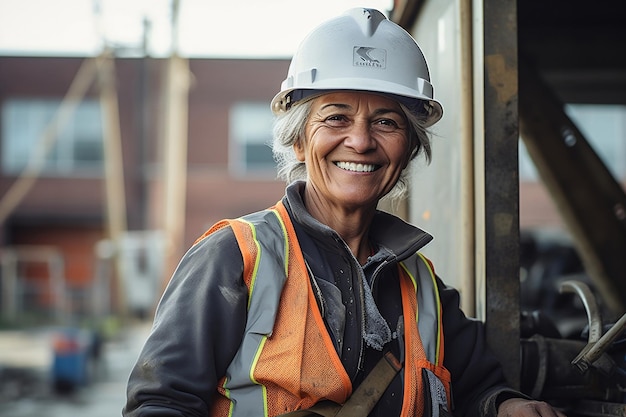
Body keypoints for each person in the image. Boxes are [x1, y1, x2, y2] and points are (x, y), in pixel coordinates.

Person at [123, 8, 567, 417]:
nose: (360, 141)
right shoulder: (235, 258)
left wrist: (505, 406)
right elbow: (162, 402)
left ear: (409, 148)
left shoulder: (421, 283)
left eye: (386, 122)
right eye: (336, 118)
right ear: (299, 141)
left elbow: (477, 386)